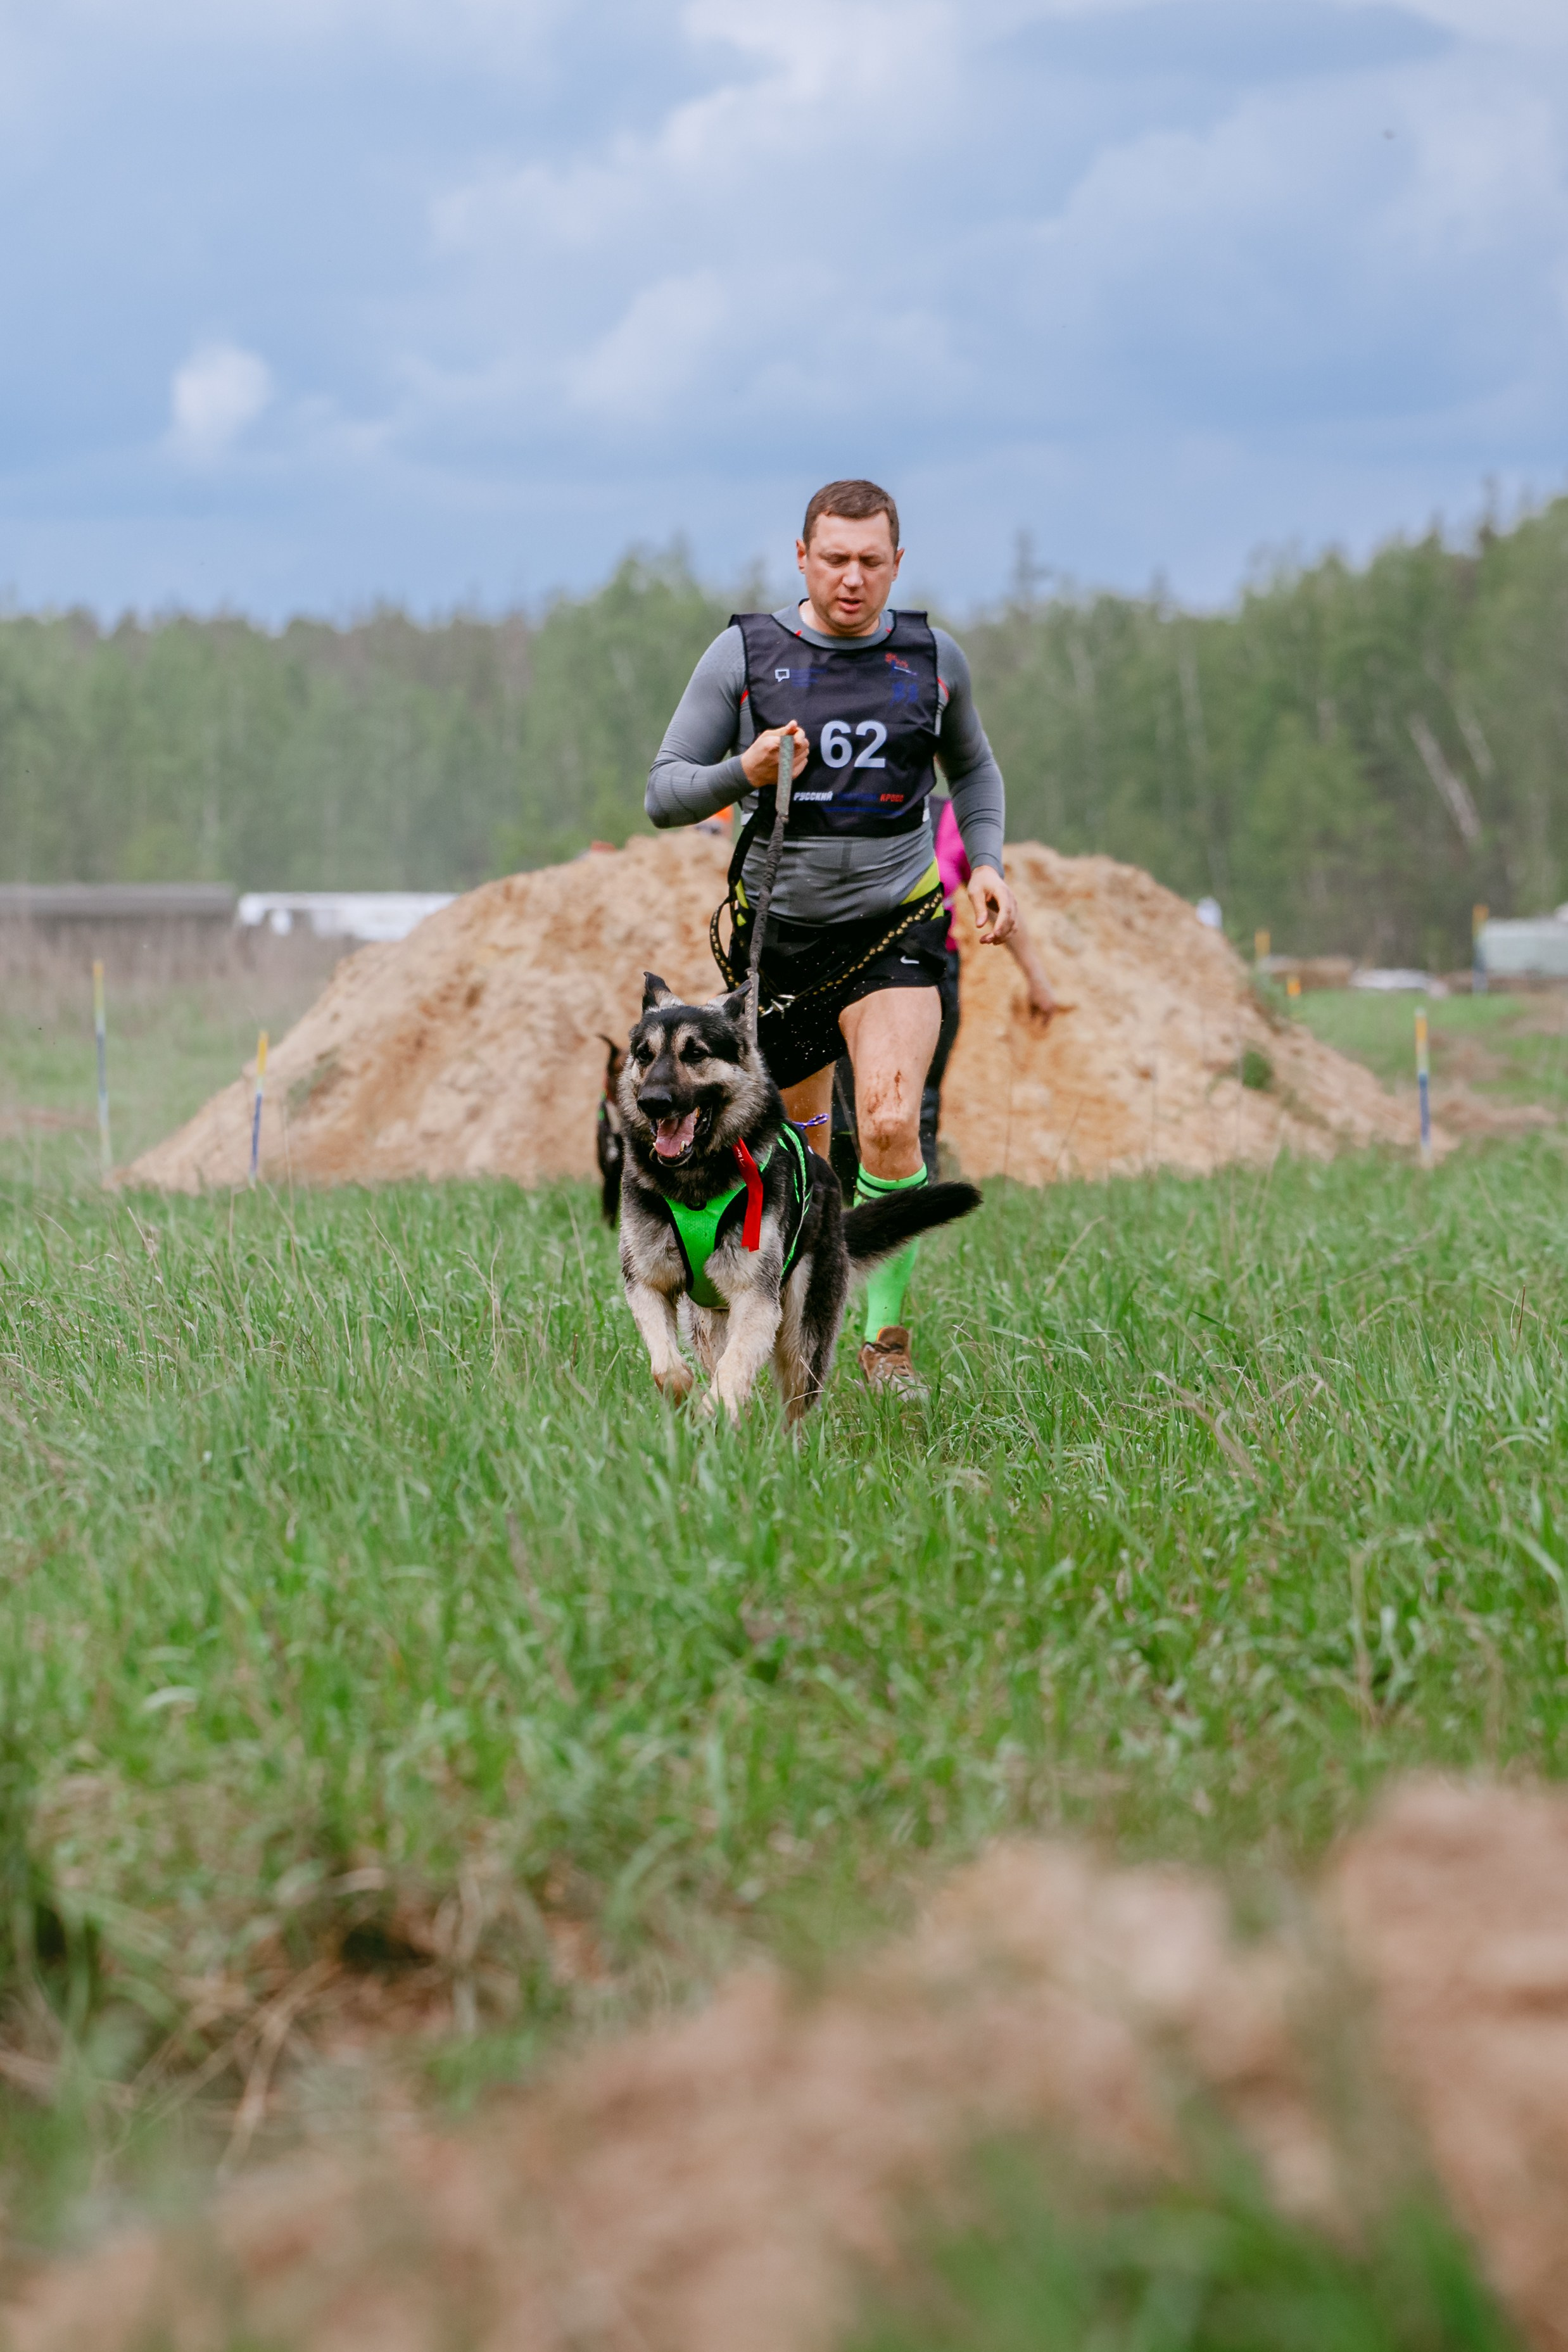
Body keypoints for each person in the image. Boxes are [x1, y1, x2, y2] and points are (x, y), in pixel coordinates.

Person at [645, 477, 1016, 1389]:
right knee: (798, 1167)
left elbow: (975, 769)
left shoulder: (934, 659)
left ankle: (885, 1346)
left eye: (871, 560)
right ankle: (771, 1331)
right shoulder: (746, 654)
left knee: (889, 1121)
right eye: (836, 558)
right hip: (782, 948)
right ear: (803, 558)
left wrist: (993, 862)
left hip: (895, 928)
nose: (853, 578)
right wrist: (745, 766)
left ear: (897, 563)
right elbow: (663, 792)